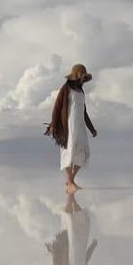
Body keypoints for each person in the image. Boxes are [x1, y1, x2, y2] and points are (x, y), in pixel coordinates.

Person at [45, 64, 98, 193]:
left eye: (85, 79)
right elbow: (57, 107)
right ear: (76, 76)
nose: (83, 81)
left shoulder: (81, 91)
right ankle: (70, 182)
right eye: (82, 78)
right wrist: (53, 124)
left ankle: (70, 180)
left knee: (84, 153)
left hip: (79, 126)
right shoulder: (66, 89)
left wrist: (92, 128)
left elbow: (83, 112)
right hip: (68, 126)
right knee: (69, 153)